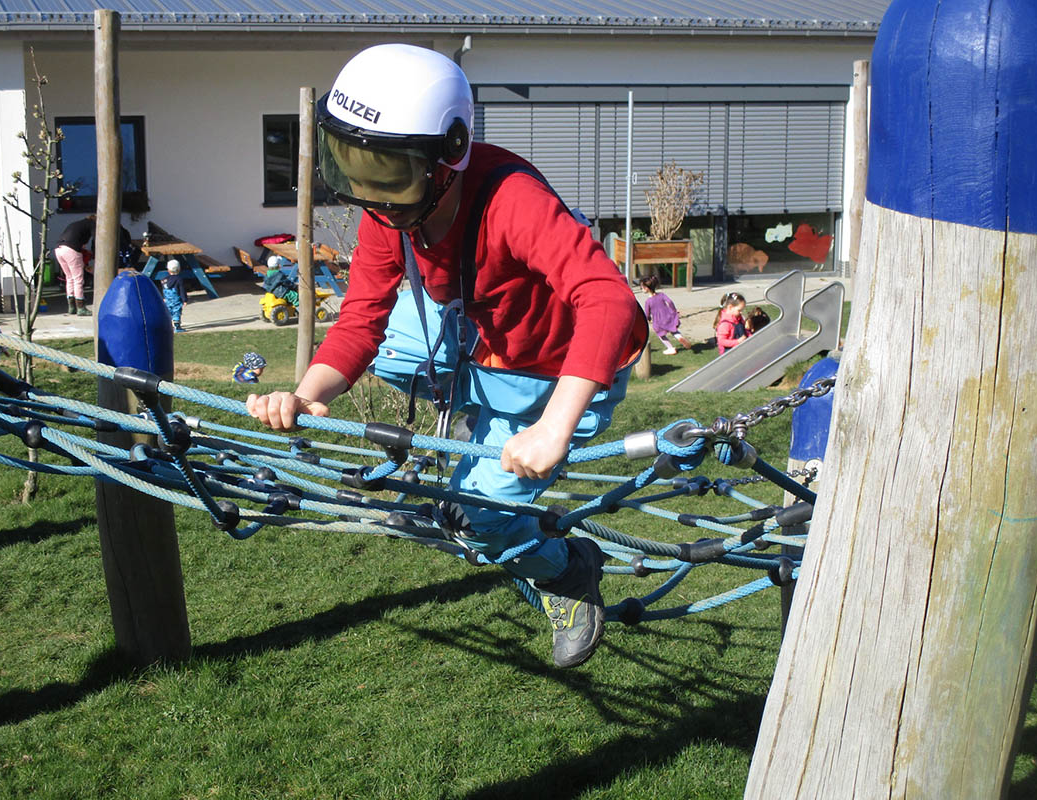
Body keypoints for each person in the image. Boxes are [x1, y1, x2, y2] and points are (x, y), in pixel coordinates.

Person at [245, 44, 647, 668]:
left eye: (388, 169)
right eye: (353, 163)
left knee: (477, 521)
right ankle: (478, 428)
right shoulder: (393, 208)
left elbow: (609, 302)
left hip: (558, 369)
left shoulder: (512, 199)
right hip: (483, 342)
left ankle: (567, 571)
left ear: (447, 155)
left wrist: (553, 427)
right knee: (399, 350)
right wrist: (307, 395)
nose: (371, 192)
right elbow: (362, 318)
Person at [639, 274, 692, 355]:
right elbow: (670, 302)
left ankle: (670, 348)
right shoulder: (661, 295)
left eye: (641, 288)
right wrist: (673, 311)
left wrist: (648, 318)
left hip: (658, 321)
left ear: (646, 288)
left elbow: (647, 313)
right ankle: (680, 337)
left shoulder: (648, 301)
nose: (641, 289)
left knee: (661, 334)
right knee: (673, 330)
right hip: (668, 316)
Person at [53, 215, 94, 316]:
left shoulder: (77, 224)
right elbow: (96, 239)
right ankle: (81, 308)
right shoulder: (92, 224)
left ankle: (71, 307)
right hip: (71, 249)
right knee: (78, 279)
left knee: (69, 278)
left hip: (59, 249)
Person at [162, 259, 189, 332]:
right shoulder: (179, 279)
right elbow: (181, 290)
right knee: (176, 312)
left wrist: (164, 298)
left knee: (169, 312)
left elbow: (164, 290)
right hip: (176, 299)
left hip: (167, 300)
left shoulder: (164, 280)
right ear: (179, 269)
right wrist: (184, 299)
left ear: (168, 270)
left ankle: (168, 326)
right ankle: (177, 327)